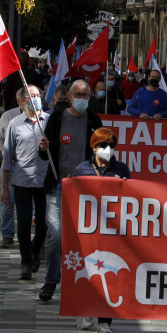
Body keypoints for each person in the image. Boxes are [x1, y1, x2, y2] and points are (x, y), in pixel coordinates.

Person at [37, 80, 104, 303]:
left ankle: (83, 282)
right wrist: (43, 147)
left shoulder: (94, 121)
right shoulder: (56, 118)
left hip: (86, 188)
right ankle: (50, 280)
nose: (83, 99)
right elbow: (43, 155)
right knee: (55, 234)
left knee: (84, 238)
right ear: (69, 95)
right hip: (58, 184)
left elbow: (103, 155)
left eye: (86, 96)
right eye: (79, 95)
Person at [73, 128, 130, 333]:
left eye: (112, 145)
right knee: (89, 271)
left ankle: (105, 323)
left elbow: (131, 199)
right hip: (86, 232)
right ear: (94, 147)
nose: (108, 149)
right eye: (103, 145)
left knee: (109, 273)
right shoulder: (82, 169)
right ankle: (89, 309)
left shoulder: (121, 169)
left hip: (112, 232)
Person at [1, 85, 49, 280]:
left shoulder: (49, 120)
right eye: (31, 96)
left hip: (45, 181)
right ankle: (26, 263)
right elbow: (7, 158)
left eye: (38, 95)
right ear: (23, 101)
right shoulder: (14, 124)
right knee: (23, 224)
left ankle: (35, 249)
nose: (36, 98)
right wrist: (4, 187)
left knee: (44, 223)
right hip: (22, 181)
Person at [0, 102, 21, 249]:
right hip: (10, 164)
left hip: (31, 166)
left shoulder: (43, 116)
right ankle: (7, 234)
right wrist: (7, 154)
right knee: (7, 199)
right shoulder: (8, 116)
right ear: (20, 100)